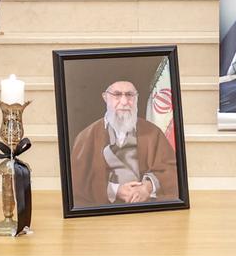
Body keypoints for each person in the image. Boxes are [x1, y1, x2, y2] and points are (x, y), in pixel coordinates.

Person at [69, 79, 178, 207]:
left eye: (129, 95)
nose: (124, 102)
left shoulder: (152, 132)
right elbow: (77, 182)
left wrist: (147, 187)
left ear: (136, 98)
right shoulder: (86, 137)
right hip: (105, 209)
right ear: (105, 97)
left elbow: (171, 170)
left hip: (145, 205)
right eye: (117, 95)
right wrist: (116, 191)